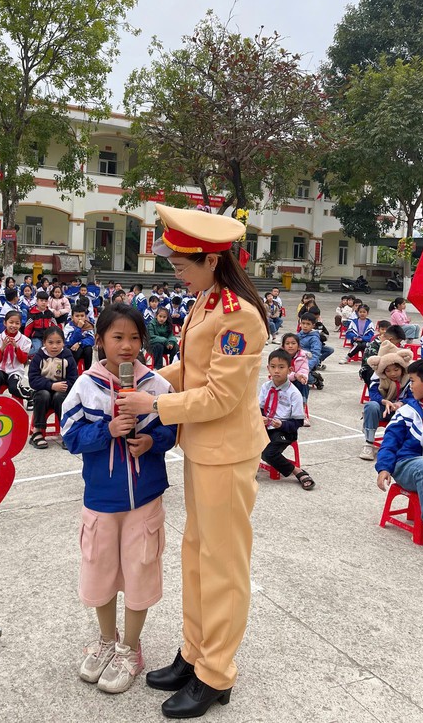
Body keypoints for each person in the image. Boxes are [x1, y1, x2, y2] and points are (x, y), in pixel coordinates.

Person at [115, 203, 269, 719]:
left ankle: (217, 674)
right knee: (197, 556)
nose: (176, 273)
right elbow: (193, 368)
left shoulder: (239, 317)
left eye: (182, 265)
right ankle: (194, 653)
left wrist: (153, 405)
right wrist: (151, 379)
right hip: (203, 450)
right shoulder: (207, 301)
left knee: (222, 566)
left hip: (226, 453)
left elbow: (221, 396)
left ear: (211, 260)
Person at [61, 304, 177, 694]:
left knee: (140, 570)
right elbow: (71, 438)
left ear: (143, 341)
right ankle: (106, 640)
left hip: (144, 500)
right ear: (100, 342)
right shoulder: (84, 387)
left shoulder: (157, 387)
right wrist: (108, 429)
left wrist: (151, 441)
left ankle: (131, 648)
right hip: (101, 501)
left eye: (133, 337)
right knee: (101, 570)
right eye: (117, 337)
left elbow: (172, 432)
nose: (126, 346)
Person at [376, 359, 423, 558]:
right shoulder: (407, 411)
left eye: (413, 381)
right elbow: (390, 442)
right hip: (406, 467)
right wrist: (384, 468)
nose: (410, 386)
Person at [259, 349, 314, 488]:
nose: (276, 370)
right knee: (241, 438)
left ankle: (297, 471)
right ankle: (246, 468)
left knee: (268, 454)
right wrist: (260, 418)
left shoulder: (293, 393)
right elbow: (258, 408)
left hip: (284, 431)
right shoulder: (266, 387)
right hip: (266, 426)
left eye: (281, 367)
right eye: (273, 366)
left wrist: (282, 425)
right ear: (268, 368)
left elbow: (298, 422)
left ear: (290, 370)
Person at [359, 340, 414, 460]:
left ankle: (405, 445)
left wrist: (401, 403)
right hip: (384, 409)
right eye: (388, 371)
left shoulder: (409, 378)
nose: (392, 373)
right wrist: (384, 401)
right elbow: (373, 394)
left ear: (402, 368)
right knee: (371, 405)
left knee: (415, 408)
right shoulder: (378, 378)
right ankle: (369, 443)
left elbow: (413, 397)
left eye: (396, 369)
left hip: (402, 411)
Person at [27, 326, 77, 449]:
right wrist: (51, 385)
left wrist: (64, 386)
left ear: (63, 343)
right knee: (43, 395)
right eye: (50, 342)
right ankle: (37, 432)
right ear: (44, 343)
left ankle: (66, 432)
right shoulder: (39, 357)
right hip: (42, 393)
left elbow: (74, 379)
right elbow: (33, 379)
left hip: (62, 392)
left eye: (58, 342)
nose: (54, 346)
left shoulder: (68, 357)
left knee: (60, 397)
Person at [0, 311, 32, 401]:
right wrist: (2, 348)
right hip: (0, 369)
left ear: (20, 325)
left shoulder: (25, 341)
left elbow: (22, 360)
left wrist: (16, 347)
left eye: (17, 323)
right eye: (11, 322)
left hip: (15, 370)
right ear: (5, 323)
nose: (14, 325)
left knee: (13, 388)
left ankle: (31, 394)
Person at [281, 332, 310, 424]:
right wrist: (295, 375)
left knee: (303, 383)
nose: (290, 346)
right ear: (283, 346)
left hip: (295, 381)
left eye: (293, 343)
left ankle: (302, 411)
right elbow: (281, 374)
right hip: (281, 381)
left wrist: (302, 377)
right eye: (287, 343)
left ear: (298, 346)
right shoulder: (279, 357)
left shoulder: (303, 357)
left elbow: (304, 370)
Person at [24, 291, 57, 358]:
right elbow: (28, 328)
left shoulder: (49, 313)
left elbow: (54, 326)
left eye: (45, 301)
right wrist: (26, 339)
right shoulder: (32, 313)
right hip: (36, 336)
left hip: (47, 336)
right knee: (37, 348)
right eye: (41, 300)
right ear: (37, 301)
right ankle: (24, 355)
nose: (44, 302)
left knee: (50, 349)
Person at [64, 307, 96, 371]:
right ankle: (72, 371)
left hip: (84, 351)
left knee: (88, 349)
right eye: (77, 316)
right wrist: (78, 328)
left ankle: (87, 371)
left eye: (82, 316)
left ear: (85, 317)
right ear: (72, 317)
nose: (80, 318)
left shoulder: (88, 326)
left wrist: (79, 343)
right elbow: (69, 342)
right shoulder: (69, 326)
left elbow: (91, 340)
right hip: (72, 350)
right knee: (78, 350)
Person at [297, 313, 324, 390]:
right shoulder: (298, 335)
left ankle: (315, 380)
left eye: (308, 324)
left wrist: (308, 367)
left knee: (302, 375)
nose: (305, 326)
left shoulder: (314, 339)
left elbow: (315, 354)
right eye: (303, 323)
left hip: (309, 362)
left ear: (313, 325)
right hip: (298, 360)